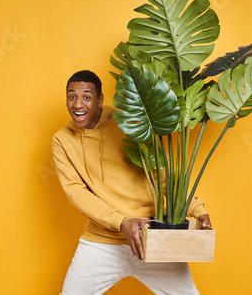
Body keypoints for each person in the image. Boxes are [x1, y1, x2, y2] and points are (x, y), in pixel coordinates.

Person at [51, 70, 212, 295]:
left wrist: (196, 208)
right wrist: (120, 221)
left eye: (86, 97)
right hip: (102, 241)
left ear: (99, 100)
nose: (78, 104)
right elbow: (76, 192)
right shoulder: (61, 140)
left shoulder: (128, 123)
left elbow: (162, 176)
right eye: (72, 96)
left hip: (151, 236)